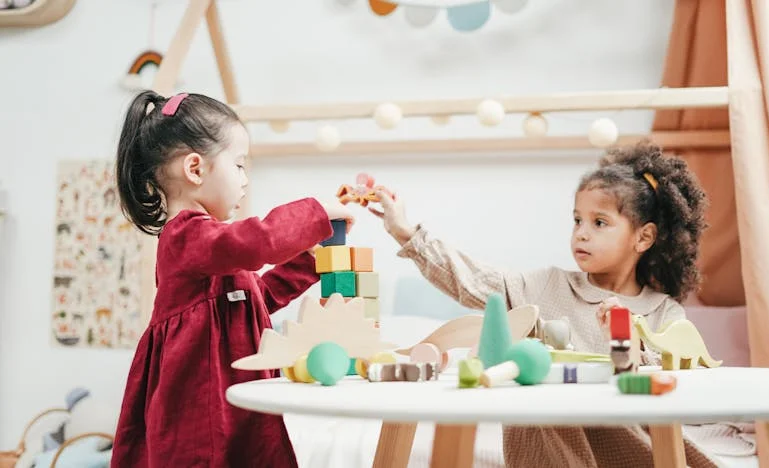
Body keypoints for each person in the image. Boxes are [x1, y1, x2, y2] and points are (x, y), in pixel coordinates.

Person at [370, 141, 722, 467]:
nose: (582, 233)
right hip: (552, 442)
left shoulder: (663, 312)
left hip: (629, 445)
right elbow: (471, 279)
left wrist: (628, 346)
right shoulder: (545, 286)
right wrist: (404, 231)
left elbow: (683, 388)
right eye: (577, 220)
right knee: (540, 403)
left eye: (599, 223)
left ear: (643, 237)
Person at [111, 90, 353, 467]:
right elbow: (261, 242)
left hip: (236, 400)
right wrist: (314, 214)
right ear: (195, 169)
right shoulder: (186, 237)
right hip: (200, 406)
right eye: (239, 165)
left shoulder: (214, 248)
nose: (244, 180)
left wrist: (311, 263)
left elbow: (258, 296)